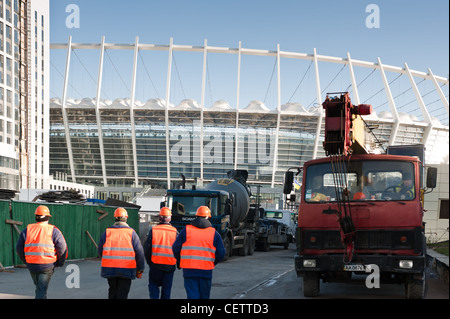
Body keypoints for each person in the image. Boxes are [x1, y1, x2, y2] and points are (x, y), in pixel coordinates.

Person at [172, 206, 225, 299]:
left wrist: (180, 262)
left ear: (196, 216)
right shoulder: (214, 233)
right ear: (208, 217)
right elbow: (221, 253)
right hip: (206, 271)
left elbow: (175, 248)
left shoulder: (186, 230)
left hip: (189, 270)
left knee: (192, 296)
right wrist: (212, 263)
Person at [16, 205, 67, 299]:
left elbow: (19, 249)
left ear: (36, 217)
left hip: (32, 266)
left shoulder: (27, 230)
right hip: (47, 266)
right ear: (48, 217)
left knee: (40, 288)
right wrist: (60, 263)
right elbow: (62, 248)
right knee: (41, 289)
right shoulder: (54, 231)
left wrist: (27, 261)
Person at [98, 207, 145, 299]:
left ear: (115, 218)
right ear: (126, 218)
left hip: (110, 269)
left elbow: (100, 250)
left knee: (112, 292)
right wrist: (140, 269)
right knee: (122, 294)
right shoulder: (132, 233)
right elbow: (139, 252)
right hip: (126, 270)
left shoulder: (107, 232)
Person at [144, 207, 178, 299]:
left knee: (153, 285)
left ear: (160, 217)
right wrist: (178, 263)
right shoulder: (175, 232)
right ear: (170, 218)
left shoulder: (153, 230)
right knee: (166, 290)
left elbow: (147, 248)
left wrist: (149, 262)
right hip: (169, 266)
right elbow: (178, 249)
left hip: (155, 265)